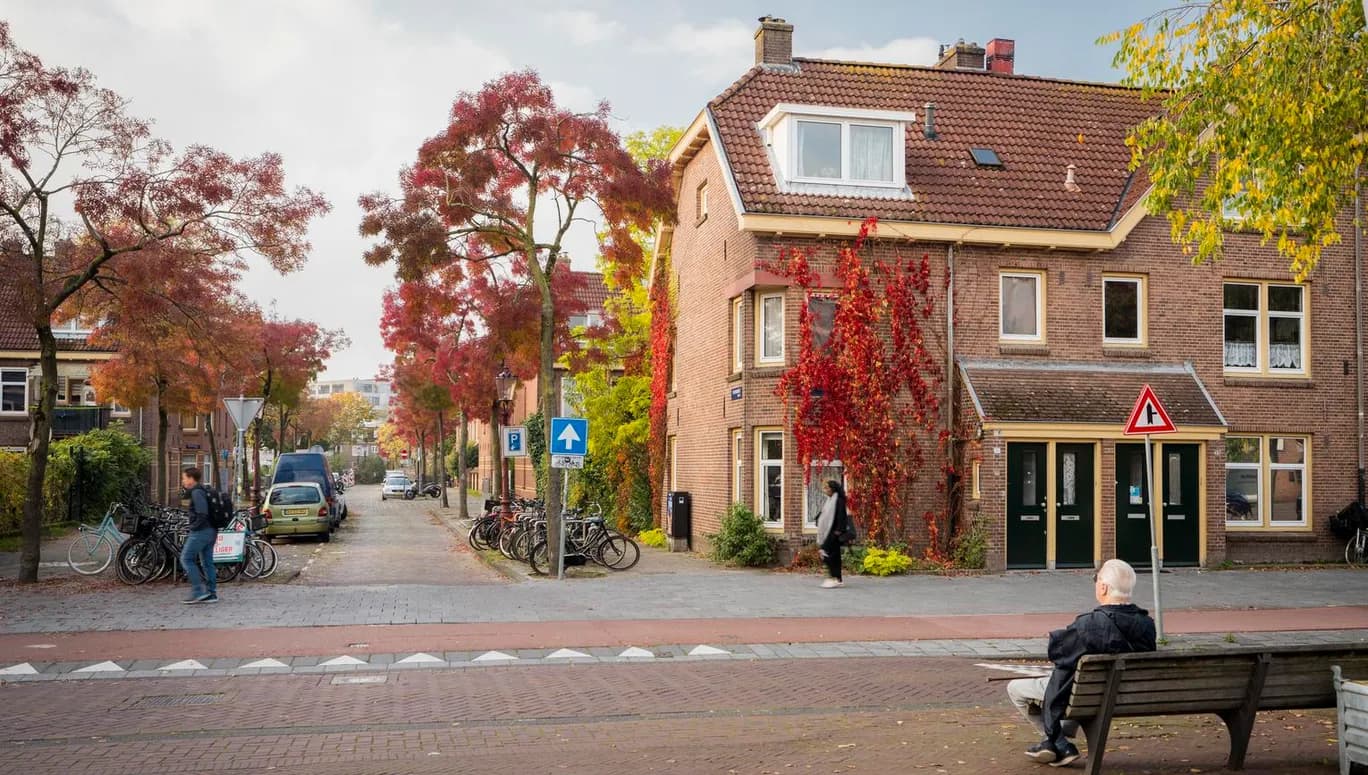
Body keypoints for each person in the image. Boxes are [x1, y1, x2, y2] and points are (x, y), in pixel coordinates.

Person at [1008, 558, 1156, 767]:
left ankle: (1059, 742)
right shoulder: (1147, 625)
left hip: (1088, 694)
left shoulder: (1088, 624)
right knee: (1083, 689)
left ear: (1103, 587)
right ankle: (1057, 741)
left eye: (1096, 579)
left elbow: (1059, 655)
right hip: (1130, 695)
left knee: (1016, 688)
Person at [179, 467, 219, 605]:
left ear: (191, 479)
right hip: (211, 530)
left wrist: (193, 527)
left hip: (202, 531)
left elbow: (202, 513)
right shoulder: (202, 490)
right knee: (207, 562)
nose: (183, 481)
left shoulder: (196, 492)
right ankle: (211, 593)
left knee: (186, 558)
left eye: (184, 478)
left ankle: (198, 592)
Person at [815, 479, 847, 589]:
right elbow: (825, 514)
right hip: (829, 531)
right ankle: (837, 578)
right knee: (834, 555)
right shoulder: (830, 500)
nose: (825, 490)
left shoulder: (839, 500)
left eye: (827, 488)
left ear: (833, 489)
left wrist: (838, 531)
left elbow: (841, 516)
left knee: (826, 553)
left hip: (834, 532)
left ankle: (834, 578)